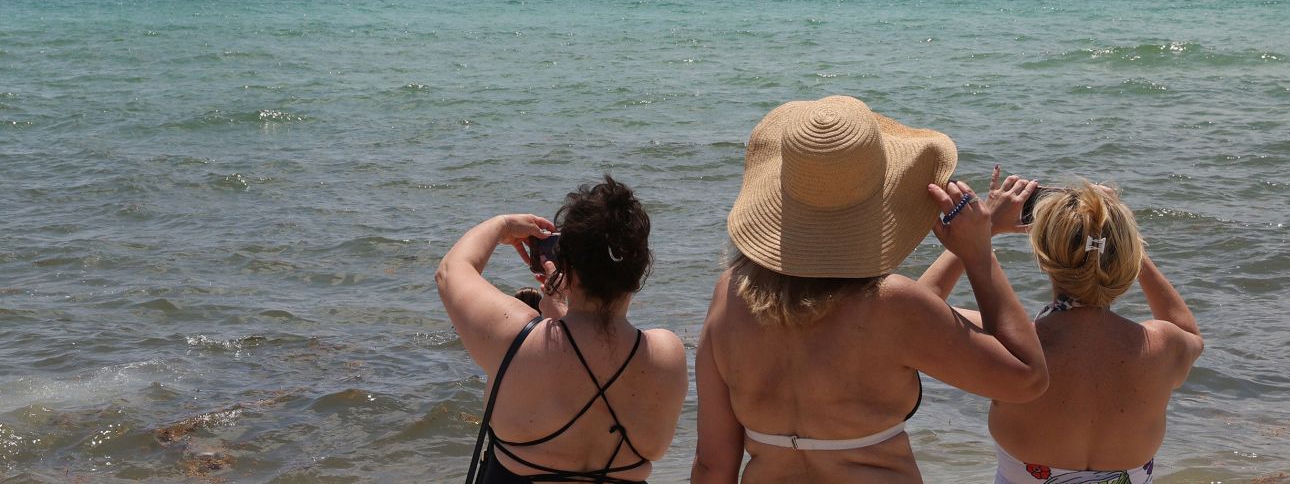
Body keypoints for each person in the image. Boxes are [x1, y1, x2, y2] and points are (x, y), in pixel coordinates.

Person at [690, 95, 1049, 483]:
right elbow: (1026, 378)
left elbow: (714, 465)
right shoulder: (894, 309)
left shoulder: (730, 297)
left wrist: (982, 237)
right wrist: (978, 254)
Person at [921, 172, 1203, 484]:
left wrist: (983, 234)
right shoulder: (1161, 347)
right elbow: (1188, 333)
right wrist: (1125, 241)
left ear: (1043, 260)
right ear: (1127, 257)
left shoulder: (1013, 352)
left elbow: (916, 312)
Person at [436, 176, 687, 482]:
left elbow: (452, 270)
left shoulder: (516, 337)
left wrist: (503, 226)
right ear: (639, 270)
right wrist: (561, 309)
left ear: (565, 264)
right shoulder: (666, 354)